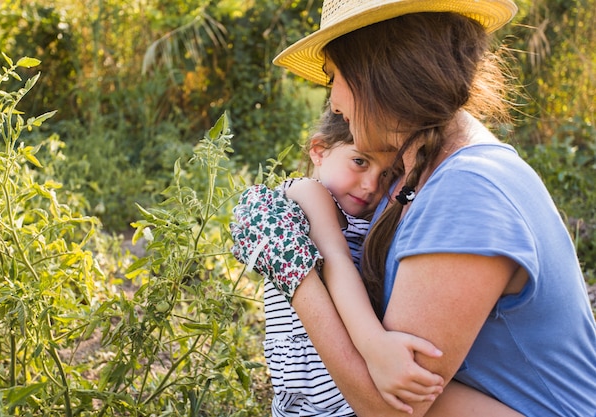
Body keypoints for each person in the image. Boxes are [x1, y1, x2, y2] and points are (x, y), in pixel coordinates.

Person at [232, 0, 596, 416]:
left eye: (334, 77)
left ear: (376, 72)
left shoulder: (465, 190)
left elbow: (389, 409)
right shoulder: (421, 176)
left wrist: (293, 270)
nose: (333, 103)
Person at [262, 108, 444, 416]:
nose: (371, 185)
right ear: (319, 151)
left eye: (387, 174)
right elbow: (336, 259)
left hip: (351, 393)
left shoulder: (372, 218)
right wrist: (376, 346)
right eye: (360, 161)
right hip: (311, 394)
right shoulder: (306, 192)